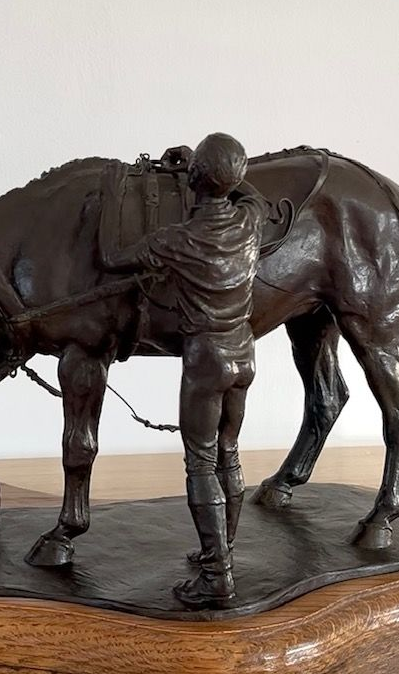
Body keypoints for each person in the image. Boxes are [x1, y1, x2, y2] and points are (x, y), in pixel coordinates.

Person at [106, 132, 269, 606]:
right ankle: (224, 548)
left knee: (200, 460)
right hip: (245, 354)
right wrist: (207, 170)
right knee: (229, 451)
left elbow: (112, 259)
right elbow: (252, 193)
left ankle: (217, 574)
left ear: (193, 181)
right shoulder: (249, 223)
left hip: (207, 358)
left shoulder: (176, 240)